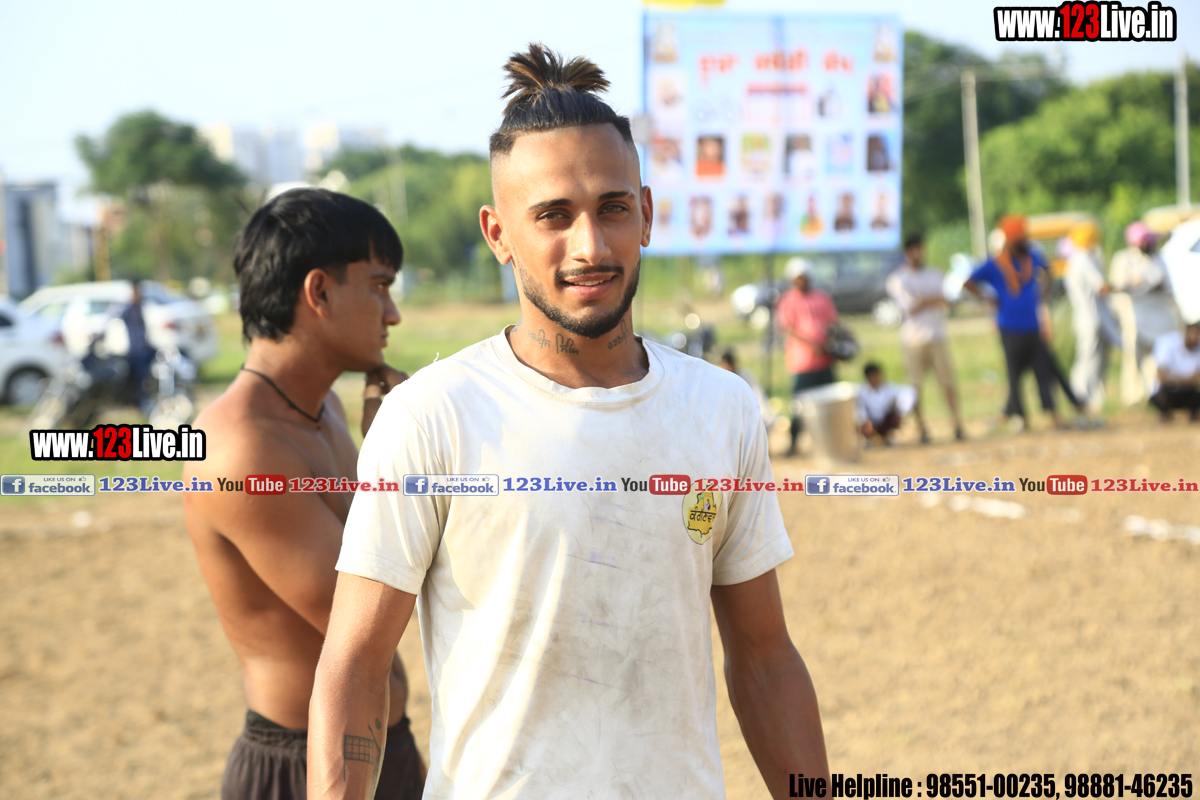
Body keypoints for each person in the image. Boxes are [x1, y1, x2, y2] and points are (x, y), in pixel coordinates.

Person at [308, 43, 829, 800]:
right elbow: (355, 665)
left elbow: (765, 658)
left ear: (645, 214)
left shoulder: (721, 408)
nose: (590, 245)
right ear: (498, 235)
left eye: (612, 208)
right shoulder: (431, 416)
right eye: (553, 216)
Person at [182, 189, 424, 800]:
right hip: (300, 763)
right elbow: (366, 614)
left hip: (382, 742)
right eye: (378, 286)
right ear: (319, 292)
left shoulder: (325, 412)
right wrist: (400, 464)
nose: (392, 313)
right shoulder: (240, 449)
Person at [964, 214, 1082, 431]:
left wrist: (1043, 296)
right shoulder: (995, 263)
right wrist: (988, 298)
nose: (1025, 242)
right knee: (1014, 375)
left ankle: (1054, 416)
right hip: (1009, 328)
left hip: (1033, 326)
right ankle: (1020, 419)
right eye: (1020, 240)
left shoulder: (1032, 257)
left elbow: (1048, 273)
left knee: (1043, 372)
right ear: (1010, 241)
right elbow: (968, 282)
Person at [885, 233, 964, 442]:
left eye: (920, 249)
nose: (918, 254)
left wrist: (925, 301)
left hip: (936, 336)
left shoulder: (935, 274)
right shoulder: (899, 278)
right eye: (913, 250)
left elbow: (946, 300)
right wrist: (932, 300)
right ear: (907, 252)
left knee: (947, 383)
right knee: (915, 387)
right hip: (913, 340)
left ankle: (957, 424)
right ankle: (921, 428)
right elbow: (911, 306)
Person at [777, 256, 838, 457]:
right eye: (798, 278)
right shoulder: (788, 301)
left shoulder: (822, 298)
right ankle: (794, 443)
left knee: (830, 403)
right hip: (802, 362)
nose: (802, 281)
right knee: (799, 405)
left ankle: (829, 442)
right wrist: (812, 345)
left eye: (804, 277)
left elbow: (832, 323)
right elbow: (788, 328)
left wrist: (831, 343)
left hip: (825, 360)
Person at [1109, 221, 1174, 404]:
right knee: (1133, 356)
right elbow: (1117, 286)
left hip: (1159, 316)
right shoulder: (1123, 259)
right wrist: (1134, 284)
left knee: (1158, 357)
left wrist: (1157, 286)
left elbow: (1169, 284)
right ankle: (1133, 395)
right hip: (1134, 315)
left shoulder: (1158, 258)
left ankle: (1156, 392)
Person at [1062, 222, 1111, 421]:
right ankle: (1082, 403)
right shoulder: (1084, 259)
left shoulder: (1074, 260)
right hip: (1092, 318)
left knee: (1090, 362)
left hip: (1084, 318)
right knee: (1089, 363)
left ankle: (1088, 405)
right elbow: (1102, 287)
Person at [1149, 322, 1200, 422]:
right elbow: (1161, 377)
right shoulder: (1168, 343)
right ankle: (1165, 413)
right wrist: (1188, 380)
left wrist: (1175, 379)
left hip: (1188, 391)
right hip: (1168, 391)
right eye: (1194, 333)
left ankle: (1194, 413)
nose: (1195, 337)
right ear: (1185, 333)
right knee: (1163, 394)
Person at [856, 362, 917, 446]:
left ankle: (889, 435)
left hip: (885, 423)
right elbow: (859, 408)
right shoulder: (861, 392)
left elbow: (908, 392)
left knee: (893, 414)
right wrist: (863, 420)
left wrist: (901, 411)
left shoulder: (889, 388)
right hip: (870, 424)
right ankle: (868, 438)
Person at [118, 281, 156, 413]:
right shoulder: (127, 308)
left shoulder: (143, 306)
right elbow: (116, 317)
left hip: (146, 347)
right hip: (135, 350)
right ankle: (140, 403)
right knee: (139, 379)